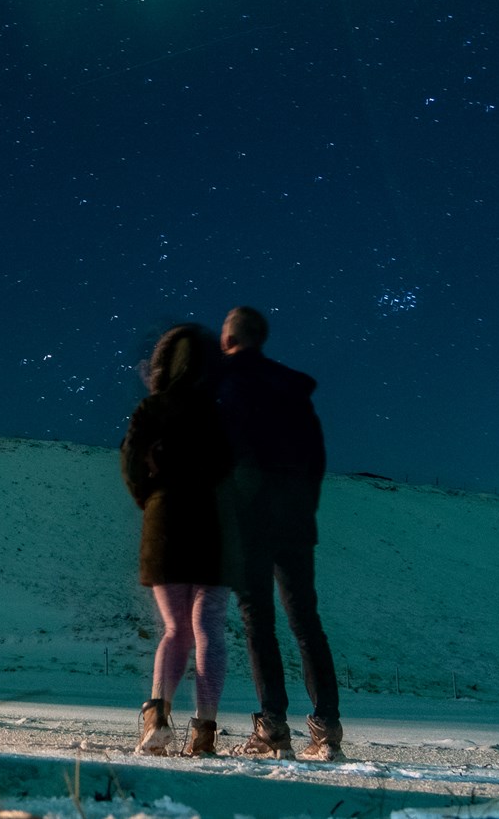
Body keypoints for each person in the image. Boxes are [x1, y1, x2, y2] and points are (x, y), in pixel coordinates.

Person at [215, 305, 343, 762]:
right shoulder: (292, 390)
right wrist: (303, 509)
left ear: (227, 339)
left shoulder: (223, 383)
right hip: (293, 519)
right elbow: (316, 460)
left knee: (258, 624)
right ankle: (327, 729)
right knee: (306, 622)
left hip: (248, 522)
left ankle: (273, 728)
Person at [120, 324, 233, 758]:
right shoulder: (219, 411)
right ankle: (204, 731)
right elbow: (230, 467)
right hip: (212, 521)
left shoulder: (152, 408)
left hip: (165, 519)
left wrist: (150, 499)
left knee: (174, 629)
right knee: (209, 629)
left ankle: (157, 717)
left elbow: (131, 464)